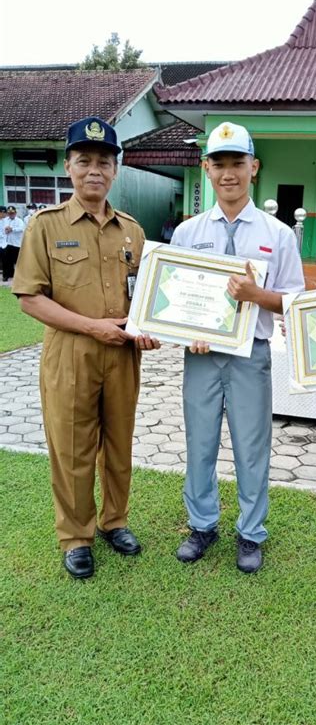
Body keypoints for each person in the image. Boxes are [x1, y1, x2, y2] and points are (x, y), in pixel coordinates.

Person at [12, 116, 160, 580]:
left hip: (122, 355)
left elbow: (146, 296)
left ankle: (114, 521)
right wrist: (92, 328)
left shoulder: (133, 231)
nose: (94, 169)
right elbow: (30, 298)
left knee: (118, 444)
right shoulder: (46, 226)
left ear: (115, 169)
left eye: (104, 161)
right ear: (69, 166)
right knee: (73, 447)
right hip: (70, 355)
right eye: (84, 160)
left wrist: (150, 327)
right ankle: (76, 536)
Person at [171, 121, 305, 573]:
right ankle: (202, 524)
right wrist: (184, 328)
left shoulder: (279, 234)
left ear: (254, 167)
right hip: (201, 357)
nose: (229, 173)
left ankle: (250, 534)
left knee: (251, 447)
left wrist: (255, 295)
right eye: (219, 164)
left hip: (252, 356)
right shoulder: (188, 233)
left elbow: (294, 301)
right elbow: (174, 299)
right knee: (200, 442)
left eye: (238, 163)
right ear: (206, 169)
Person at [3, 205, 25, 281]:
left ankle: (19, 276)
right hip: (7, 243)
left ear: (15, 213)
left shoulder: (19, 221)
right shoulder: (5, 220)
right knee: (6, 260)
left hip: (16, 244)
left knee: (17, 261)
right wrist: (6, 230)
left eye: (12, 213)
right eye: (9, 213)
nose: (11, 215)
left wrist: (12, 229)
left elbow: (22, 229)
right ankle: (6, 275)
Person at [0, 205, 7, 280]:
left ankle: (5, 276)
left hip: (4, 244)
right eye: (3, 213)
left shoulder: (6, 220)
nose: (5, 214)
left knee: (5, 261)